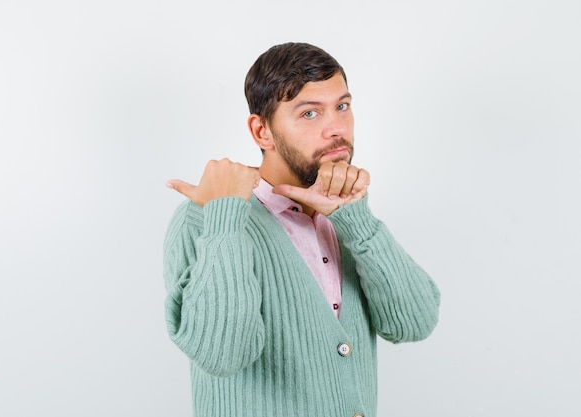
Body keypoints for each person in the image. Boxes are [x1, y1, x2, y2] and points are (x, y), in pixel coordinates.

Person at [163, 42, 440, 417]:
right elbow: (221, 353)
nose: (336, 129)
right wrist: (225, 216)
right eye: (310, 113)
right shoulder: (203, 220)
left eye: (342, 106)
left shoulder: (345, 217)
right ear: (262, 132)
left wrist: (355, 218)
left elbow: (413, 323)